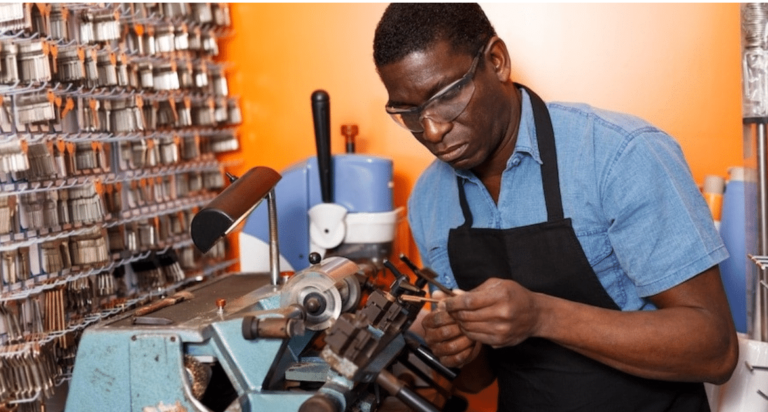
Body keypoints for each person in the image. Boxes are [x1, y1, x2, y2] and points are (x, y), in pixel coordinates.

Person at [372, 3, 738, 411]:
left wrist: (541, 315)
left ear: (496, 61)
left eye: (446, 95)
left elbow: (716, 350)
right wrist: (459, 345)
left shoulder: (620, 155)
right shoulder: (430, 198)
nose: (434, 129)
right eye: (409, 112)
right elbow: (478, 381)